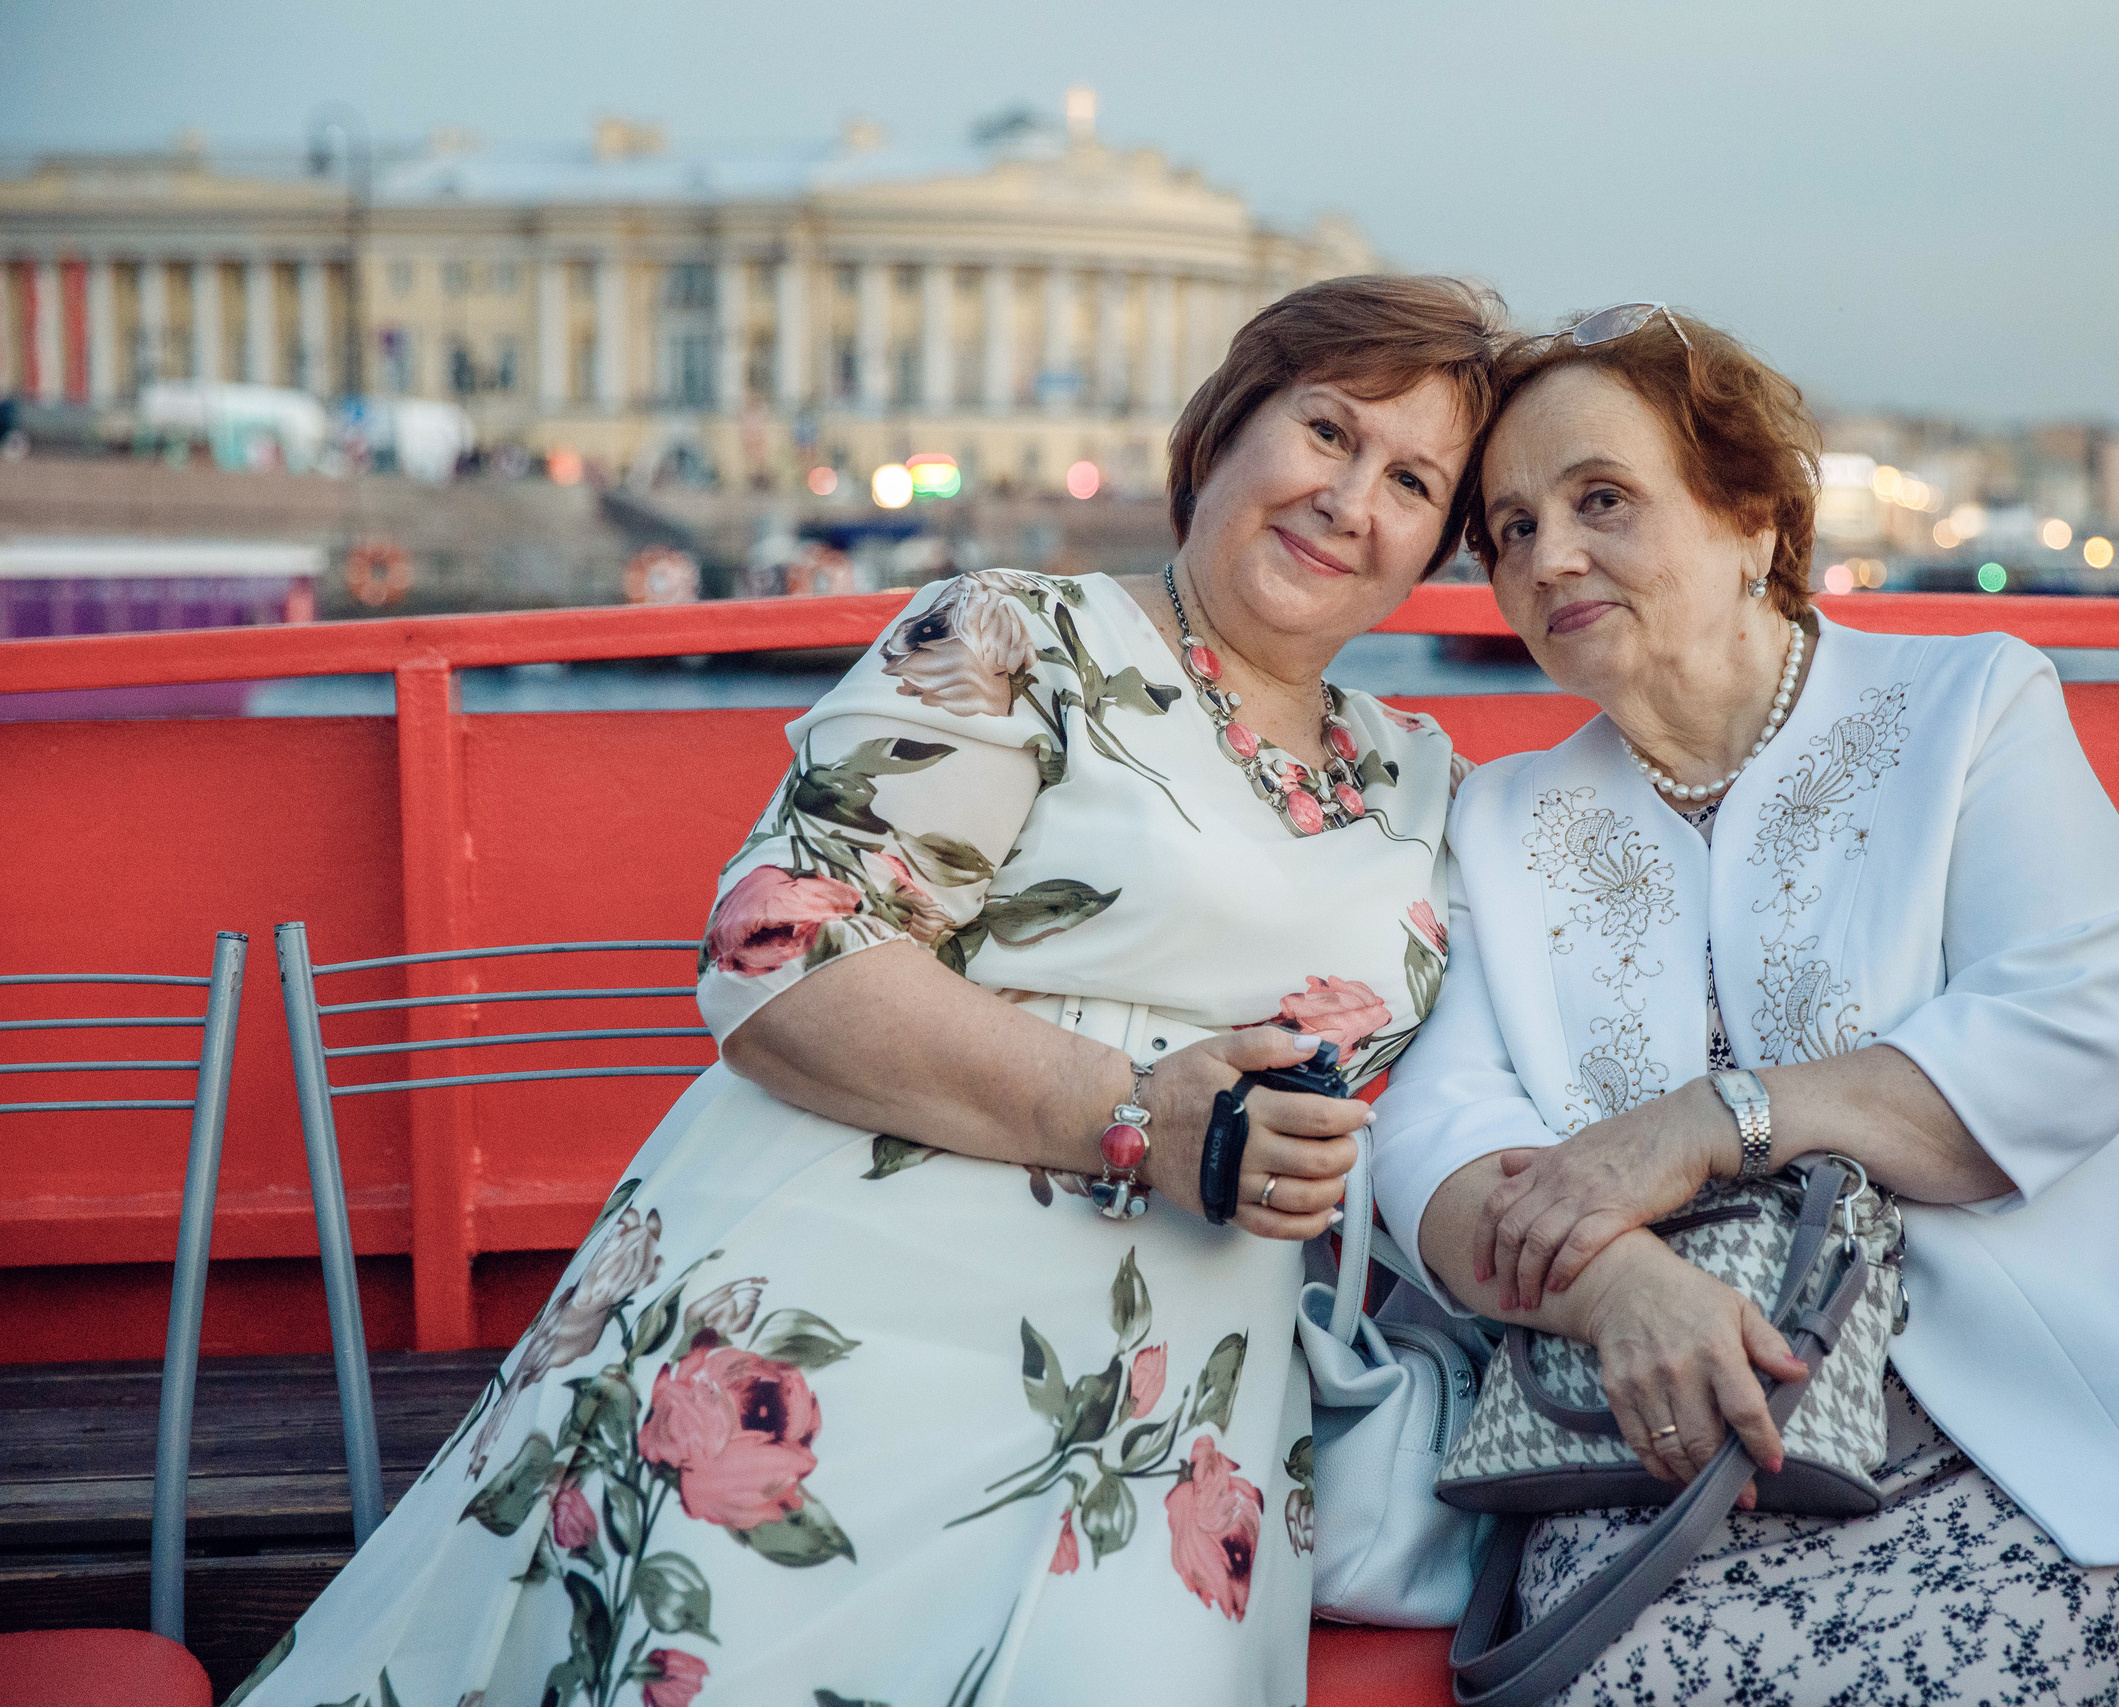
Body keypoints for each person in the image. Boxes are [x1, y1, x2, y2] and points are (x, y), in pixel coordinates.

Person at [234, 275, 1503, 1707]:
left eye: (1411, 481)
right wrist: (1147, 1115)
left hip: (1172, 1412)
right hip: (862, 1312)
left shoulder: (1424, 779)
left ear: (1436, 550)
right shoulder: (1016, 638)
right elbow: (778, 951)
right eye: (1326, 431)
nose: (1350, 497)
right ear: (1222, 430)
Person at [1370, 304, 2119, 1706]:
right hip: (1674, 1463)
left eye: (1603, 501)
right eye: (1508, 529)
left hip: (2043, 1446)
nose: (1547, 555)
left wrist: (1717, 1122)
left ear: (1752, 519)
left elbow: (2071, 1027)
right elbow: (1430, 1142)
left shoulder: (1968, 705)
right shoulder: (1501, 820)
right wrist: (1621, 1283)